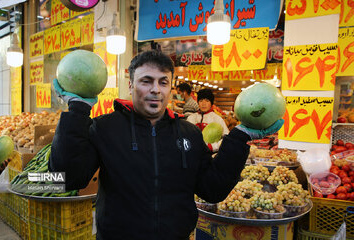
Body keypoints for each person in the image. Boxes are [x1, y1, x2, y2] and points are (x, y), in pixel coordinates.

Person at [49, 50, 283, 240]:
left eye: (163, 82)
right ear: (131, 86)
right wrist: (78, 110)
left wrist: (239, 138)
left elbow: (212, 189)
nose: (155, 89)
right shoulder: (104, 128)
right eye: (146, 81)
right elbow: (68, 179)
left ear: (170, 88)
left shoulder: (189, 133)